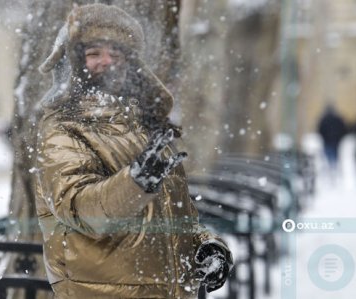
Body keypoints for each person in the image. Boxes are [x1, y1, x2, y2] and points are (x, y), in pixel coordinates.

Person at [34, 4, 233, 298]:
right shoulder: (63, 128)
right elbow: (78, 208)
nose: (107, 61)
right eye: (94, 54)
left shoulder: (147, 124)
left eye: (116, 54)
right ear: (72, 62)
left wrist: (205, 244)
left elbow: (170, 214)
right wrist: (135, 183)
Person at [317, 104, 347, 171]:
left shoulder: (324, 119)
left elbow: (320, 130)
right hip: (336, 140)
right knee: (334, 154)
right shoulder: (338, 119)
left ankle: (331, 167)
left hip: (328, 141)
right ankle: (333, 168)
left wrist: (323, 137)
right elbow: (344, 129)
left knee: (329, 155)